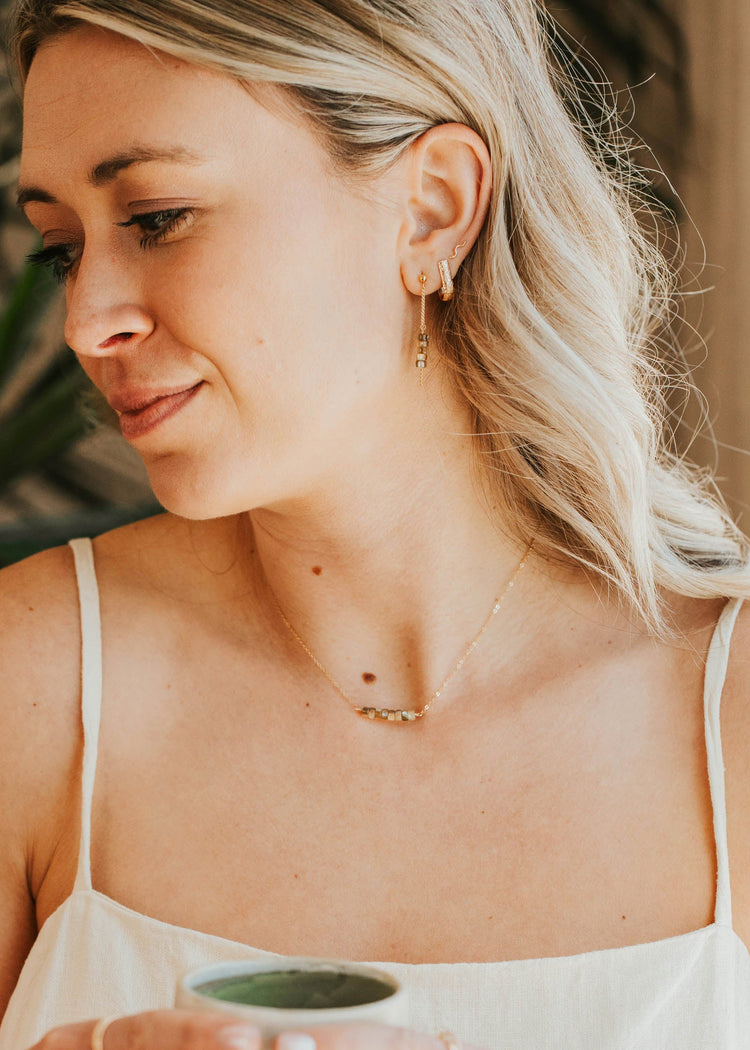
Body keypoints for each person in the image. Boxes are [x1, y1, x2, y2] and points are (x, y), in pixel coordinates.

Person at [2, 0, 750, 1047]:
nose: (88, 321)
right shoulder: (30, 684)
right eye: (60, 248)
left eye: (158, 217)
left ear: (433, 209)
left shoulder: (731, 720)